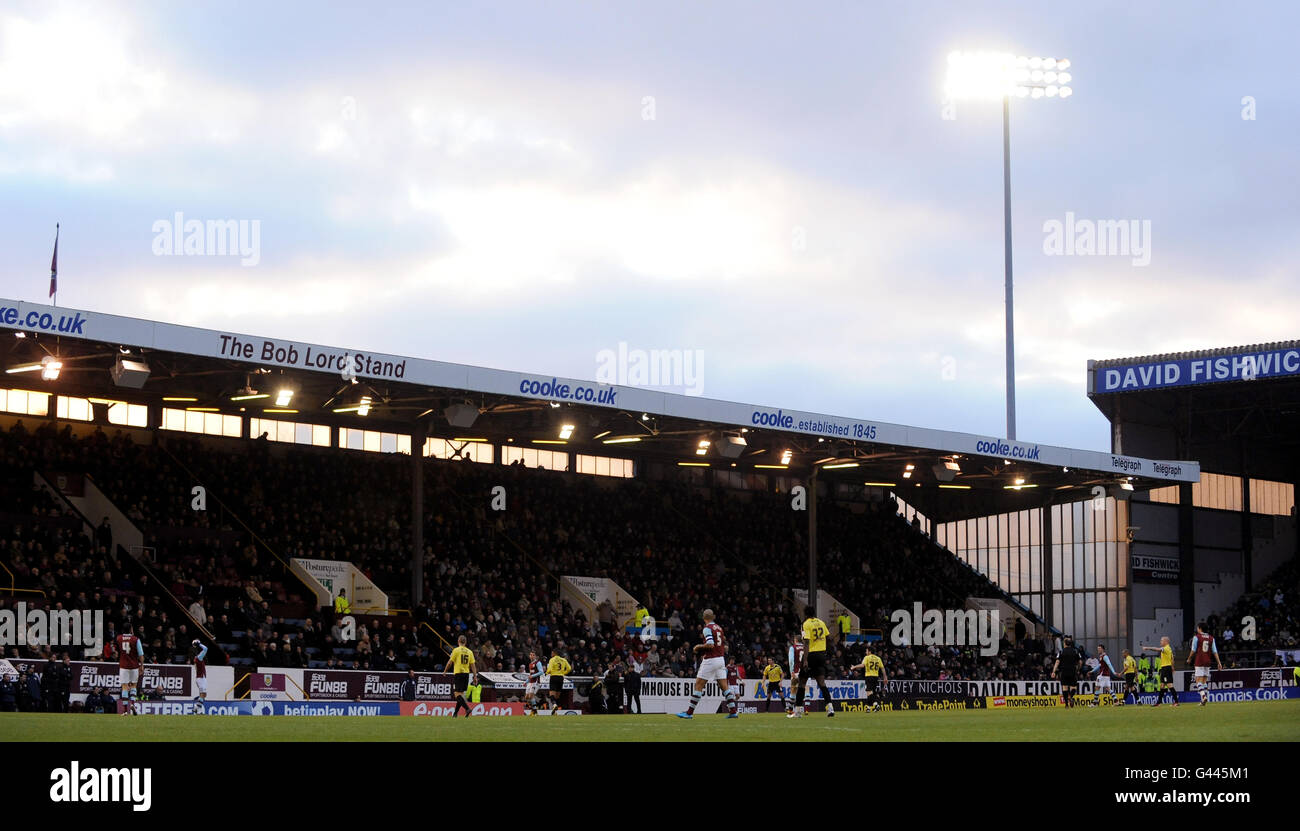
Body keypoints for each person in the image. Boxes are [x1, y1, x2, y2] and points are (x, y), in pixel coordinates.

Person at [676, 609, 739, 719]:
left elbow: (710, 644)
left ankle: (689, 713)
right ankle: (733, 711)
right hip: (721, 659)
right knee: (724, 686)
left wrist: (698, 647)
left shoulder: (707, 628)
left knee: (698, 685)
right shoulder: (719, 628)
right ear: (713, 617)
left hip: (711, 659)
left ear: (704, 618)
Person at [790, 607, 834, 718]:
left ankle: (798, 711)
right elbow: (829, 638)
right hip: (821, 655)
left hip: (811, 655)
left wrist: (805, 660)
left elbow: (806, 642)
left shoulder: (806, 624)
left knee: (802, 683)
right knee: (822, 683)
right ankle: (830, 708)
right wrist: (827, 652)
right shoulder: (821, 622)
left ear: (805, 614)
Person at [1187, 622, 1223, 706]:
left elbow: (1193, 650)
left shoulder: (1196, 637)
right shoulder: (1211, 638)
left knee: (1198, 680)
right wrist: (1219, 663)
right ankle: (1203, 701)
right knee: (1204, 682)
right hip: (1208, 661)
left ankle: (1203, 696)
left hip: (1199, 660)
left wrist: (1189, 658)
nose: (1197, 629)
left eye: (1197, 628)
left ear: (1200, 628)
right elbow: (1215, 651)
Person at [443, 635, 477, 717]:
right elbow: (473, 665)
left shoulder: (456, 650)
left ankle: (467, 709)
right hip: (466, 674)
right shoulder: (470, 652)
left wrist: (445, 671)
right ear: (465, 642)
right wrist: (475, 676)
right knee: (460, 694)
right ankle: (455, 713)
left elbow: (450, 662)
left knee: (457, 694)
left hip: (458, 673)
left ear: (458, 641)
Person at [1141, 636, 1178, 707]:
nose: (1160, 642)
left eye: (1161, 641)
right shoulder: (1169, 649)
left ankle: (1176, 702)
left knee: (1169, 685)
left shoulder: (1166, 648)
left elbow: (1157, 649)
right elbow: (1172, 658)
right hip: (1165, 668)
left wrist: (1147, 648)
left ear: (1166, 641)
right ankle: (1159, 702)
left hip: (1166, 668)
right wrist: (1172, 667)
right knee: (1162, 685)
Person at [849, 644, 887, 711]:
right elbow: (883, 669)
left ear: (869, 651)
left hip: (869, 676)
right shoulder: (878, 658)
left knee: (869, 692)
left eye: (866, 651)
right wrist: (885, 677)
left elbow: (862, 665)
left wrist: (854, 667)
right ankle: (869, 708)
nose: (866, 652)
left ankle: (876, 705)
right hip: (876, 677)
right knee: (872, 692)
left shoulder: (867, 657)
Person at [117, 623, 144, 715]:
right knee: (133, 686)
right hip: (134, 666)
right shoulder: (135, 639)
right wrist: (142, 665)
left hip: (123, 666)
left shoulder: (119, 638)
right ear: (131, 629)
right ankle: (132, 704)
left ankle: (125, 711)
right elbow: (141, 654)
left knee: (124, 687)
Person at [1052, 636, 1082, 708]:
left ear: (1065, 644)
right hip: (1073, 671)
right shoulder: (1076, 651)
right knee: (1073, 687)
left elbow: (1057, 662)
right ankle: (1071, 697)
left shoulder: (1061, 652)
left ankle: (1066, 704)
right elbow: (1080, 662)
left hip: (1064, 671)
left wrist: (1053, 671)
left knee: (1064, 687)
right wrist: (1078, 669)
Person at [786, 635, 806, 715]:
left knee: (793, 689)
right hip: (804, 672)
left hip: (796, 671)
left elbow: (791, 661)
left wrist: (792, 671)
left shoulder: (792, 648)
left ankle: (790, 709)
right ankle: (800, 709)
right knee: (801, 690)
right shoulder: (805, 647)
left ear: (795, 640)